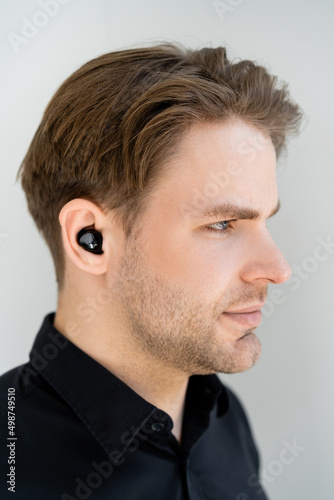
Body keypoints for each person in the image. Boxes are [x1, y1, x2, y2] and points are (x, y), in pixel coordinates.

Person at [0, 41, 302, 499]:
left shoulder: (224, 417)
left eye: (265, 221)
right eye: (222, 223)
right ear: (92, 239)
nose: (279, 270)